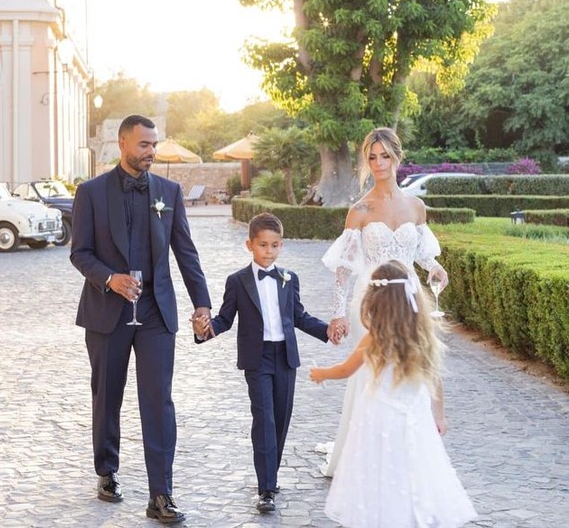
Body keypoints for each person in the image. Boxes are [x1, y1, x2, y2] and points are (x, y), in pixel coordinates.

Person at [70, 114, 211, 525]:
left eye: (154, 144)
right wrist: (108, 279)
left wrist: (201, 303)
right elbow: (79, 253)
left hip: (154, 313)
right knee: (107, 395)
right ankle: (106, 472)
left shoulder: (169, 191)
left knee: (158, 402)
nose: (151, 151)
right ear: (123, 144)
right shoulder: (91, 192)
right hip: (106, 312)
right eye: (144, 144)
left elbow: (186, 252)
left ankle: (161, 494)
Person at [320, 127, 449, 476]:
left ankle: (410, 444)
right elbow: (344, 270)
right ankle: (368, 451)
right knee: (372, 371)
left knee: (411, 366)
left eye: (385, 156)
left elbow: (421, 253)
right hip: (372, 301)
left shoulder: (416, 206)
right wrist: (337, 315)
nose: (379, 163)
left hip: (409, 299)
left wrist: (436, 269)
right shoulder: (359, 210)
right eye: (372, 157)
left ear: (397, 157)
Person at [311, 260, 477, 528]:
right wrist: (440, 416)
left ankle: (383, 515)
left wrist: (321, 374)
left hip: (379, 414)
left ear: (375, 302)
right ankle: (411, 516)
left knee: (380, 470)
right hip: (415, 414)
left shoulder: (374, 337)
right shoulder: (422, 335)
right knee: (415, 469)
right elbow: (435, 380)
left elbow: (346, 369)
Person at [193, 212, 330, 514]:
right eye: (263, 245)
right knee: (264, 420)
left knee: (280, 420)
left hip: (285, 358)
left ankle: (271, 474)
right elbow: (225, 319)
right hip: (257, 360)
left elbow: (299, 317)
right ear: (250, 245)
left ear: (281, 245)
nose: (268, 252)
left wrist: (327, 330)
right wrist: (205, 331)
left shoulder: (289, 278)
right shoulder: (237, 281)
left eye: (275, 246)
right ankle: (265, 488)